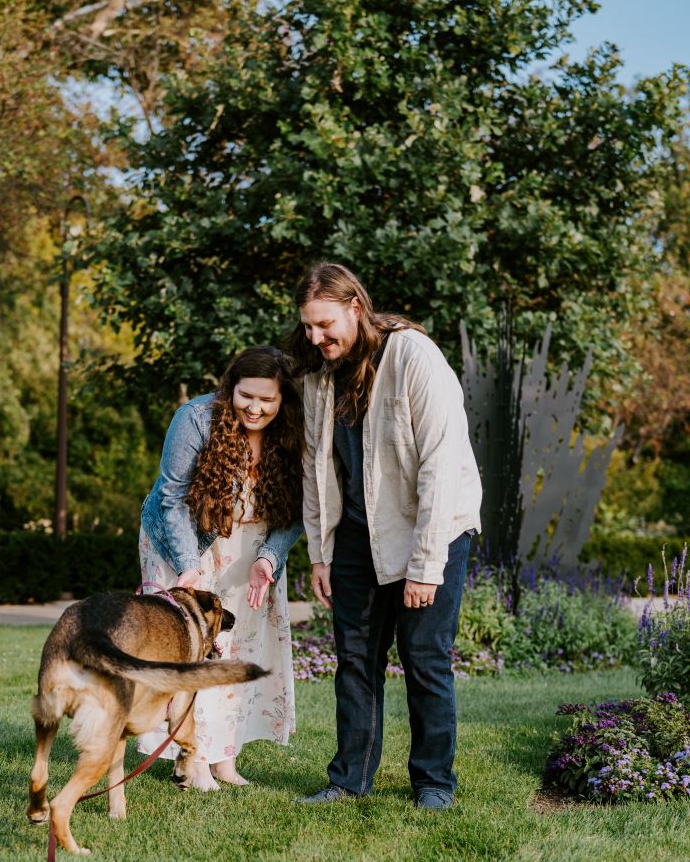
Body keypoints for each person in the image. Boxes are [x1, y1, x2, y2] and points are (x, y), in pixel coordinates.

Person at [289, 262, 482, 809]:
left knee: (424, 658)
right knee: (354, 659)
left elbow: (440, 466)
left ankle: (433, 782)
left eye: (324, 324)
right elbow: (315, 471)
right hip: (354, 536)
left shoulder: (413, 356)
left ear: (356, 306)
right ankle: (348, 779)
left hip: (431, 528)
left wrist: (424, 565)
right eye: (307, 327)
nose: (315, 337)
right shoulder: (319, 374)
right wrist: (320, 554)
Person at [138, 346, 304, 789]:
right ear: (231, 388)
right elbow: (171, 498)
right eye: (246, 396)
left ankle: (224, 755)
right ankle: (191, 757)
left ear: (282, 399)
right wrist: (187, 567)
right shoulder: (195, 419)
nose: (255, 408)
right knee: (192, 650)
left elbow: (297, 510)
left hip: (252, 553)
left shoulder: (291, 431)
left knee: (242, 648)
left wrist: (270, 558)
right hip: (187, 543)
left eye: (267, 400)